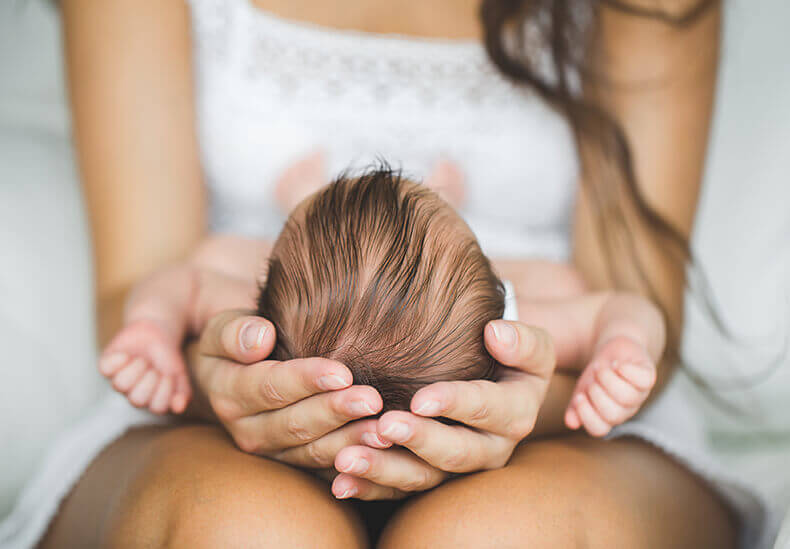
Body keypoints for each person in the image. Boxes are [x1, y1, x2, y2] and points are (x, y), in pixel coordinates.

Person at [2, 0, 758, 547]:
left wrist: (573, 390)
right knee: (244, 532)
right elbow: (617, 318)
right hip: (220, 417)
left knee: (494, 538)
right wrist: (191, 371)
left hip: (553, 428)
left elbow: (632, 316)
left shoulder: (518, 311)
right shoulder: (524, 301)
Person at [102, 169, 662, 434]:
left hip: (313, 271)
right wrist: (622, 347)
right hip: (475, 284)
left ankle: (299, 199)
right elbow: (621, 306)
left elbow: (184, 282)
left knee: (215, 250)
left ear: (261, 292)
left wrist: (152, 327)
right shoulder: (507, 328)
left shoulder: (261, 326)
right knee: (565, 283)